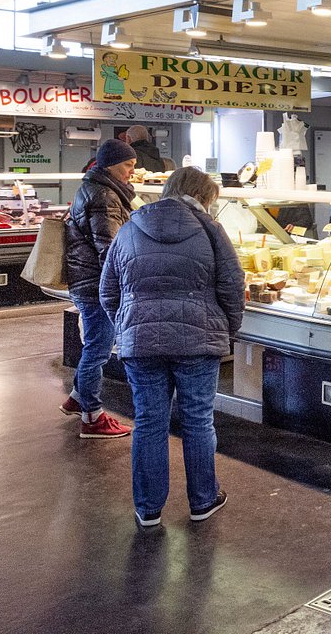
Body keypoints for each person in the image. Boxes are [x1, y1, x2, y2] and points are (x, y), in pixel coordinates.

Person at [100, 167, 243, 527]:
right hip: (197, 340)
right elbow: (232, 284)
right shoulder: (210, 230)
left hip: (141, 344)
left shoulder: (131, 227)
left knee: (149, 422)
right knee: (197, 421)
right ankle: (203, 501)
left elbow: (108, 289)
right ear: (203, 196)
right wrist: (226, 330)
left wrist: (129, 325)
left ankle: (148, 510)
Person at [62, 139, 137, 439]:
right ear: (110, 165)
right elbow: (109, 247)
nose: (133, 171)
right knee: (99, 348)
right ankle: (92, 417)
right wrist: (126, 281)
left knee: (95, 345)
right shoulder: (105, 195)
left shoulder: (96, 188)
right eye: (128, 165)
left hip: (86, 279)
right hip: (96, 283)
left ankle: (78, 398)